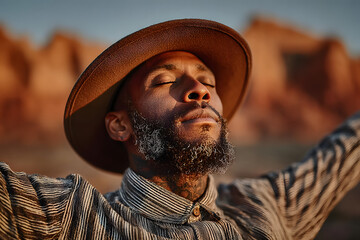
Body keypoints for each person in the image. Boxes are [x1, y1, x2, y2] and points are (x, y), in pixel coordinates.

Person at [0, 19, 359, 240]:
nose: (201, 90)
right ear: (120, 125)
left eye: (208, 81)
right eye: (165, 80)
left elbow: (344, 153)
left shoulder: (264, 205)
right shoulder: (72, 217)